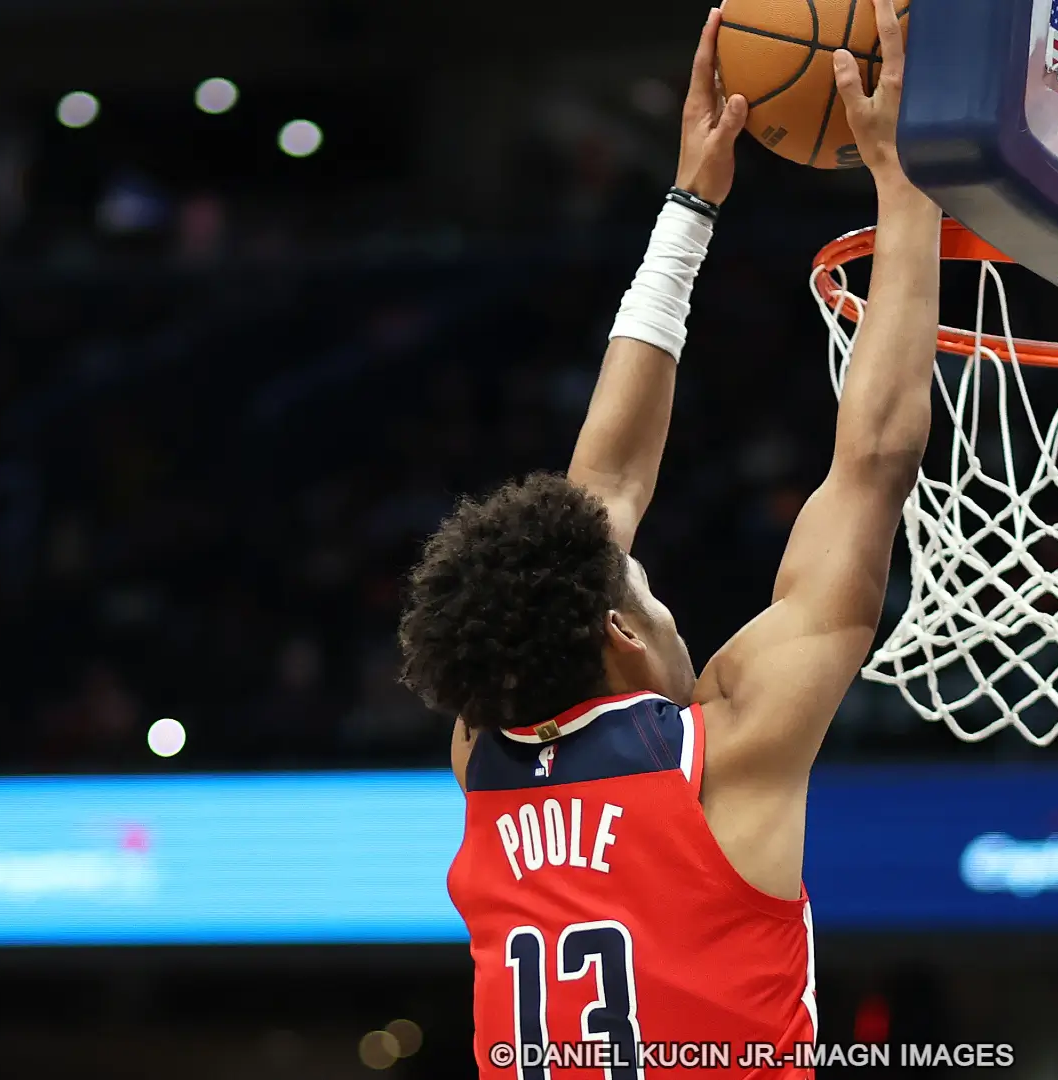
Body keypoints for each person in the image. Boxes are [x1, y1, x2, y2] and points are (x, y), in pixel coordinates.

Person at [398, 3, 941, 1074]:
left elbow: (608, 494)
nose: (664, 600)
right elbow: (859, 462)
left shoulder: (488, 758)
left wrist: (698, 202)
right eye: (650, 592)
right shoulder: (717, 754)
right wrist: (901, 177)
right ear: (620, 634)